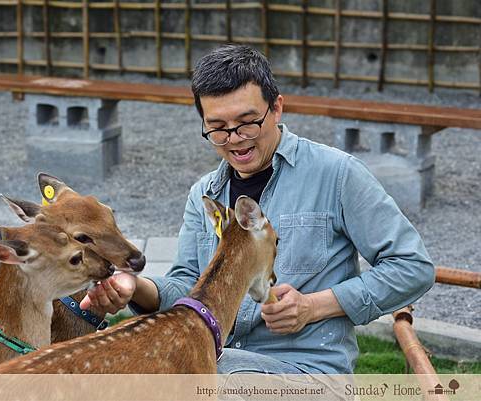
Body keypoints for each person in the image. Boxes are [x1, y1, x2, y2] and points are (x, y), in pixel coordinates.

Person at [79, 44, 435, 374]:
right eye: (217, 127)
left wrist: (314, 306)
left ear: (276, 107)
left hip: (307, 374)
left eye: (247, 121)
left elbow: (413, 268)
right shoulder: (203, 193)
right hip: (219, 358)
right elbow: (187, 289)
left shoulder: (338, 174)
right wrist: (134, 287)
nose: (234, 138)